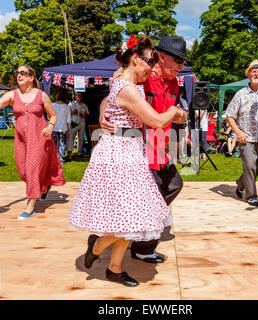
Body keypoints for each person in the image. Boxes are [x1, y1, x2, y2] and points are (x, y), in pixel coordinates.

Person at [69, 35, 185, 287]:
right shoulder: (131, 87)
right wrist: (174, 112)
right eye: (150, 61)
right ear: (136, 59)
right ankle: (99, 244)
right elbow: (154, 120)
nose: (152, 67)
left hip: (136, 150)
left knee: (133, 215)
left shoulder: (125, 80)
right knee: (132, 214)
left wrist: (106, 110)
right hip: (122, 153)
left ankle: (115, 267)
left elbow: (112, 97)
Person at [100, 35, 188, 264]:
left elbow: (174, 111)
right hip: (139, 152)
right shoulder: (142, 76)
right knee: (148, 199)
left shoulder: (174, 83)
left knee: (174, 185)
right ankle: (138, 245)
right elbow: (113, 93)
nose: (182, 66)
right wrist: (102, 112)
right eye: (178, 60)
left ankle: (127, 239)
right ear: (163, 57)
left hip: (160, 151)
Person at [0, 65, 66, 220]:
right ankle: (44, 185)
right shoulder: (12, 95)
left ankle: (30, 206)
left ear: (31, 77)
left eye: (23, 73)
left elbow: (52, 116)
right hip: (20, 140)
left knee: (32, 170)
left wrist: (51, 126)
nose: (19, 75)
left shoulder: (41, 95)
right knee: (24, 172)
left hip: (39, 138)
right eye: (18, 73)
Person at [225, 59, 258, 207]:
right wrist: (238, 132)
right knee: (249, 166)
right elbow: (229, 115)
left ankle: (240, 183)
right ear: (248, 75)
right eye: (253, 71)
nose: (256, 73)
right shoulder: (241, 94)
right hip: (246, 137)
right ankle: (251, 196)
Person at [52, 90, 72, 164]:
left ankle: (54, 159)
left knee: (54, 144)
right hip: (64, 128)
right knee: (62, 144)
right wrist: (69, 130)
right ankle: (61, 159)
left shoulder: (52, 105)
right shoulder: (67, 107)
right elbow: (69, 120)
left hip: (54, 127)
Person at [67, 92, 89, 159]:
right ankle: (69, 153)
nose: (79, 97)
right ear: (75, 96)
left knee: (81, 138)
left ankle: (79, 152)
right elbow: (65, 113)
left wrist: (84, 115)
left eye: (80, 96)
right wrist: (72, 112)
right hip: (73, 123)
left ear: (82, 97)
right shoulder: (71, 104)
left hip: (82, 123)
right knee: (71, 138)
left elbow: (87, 114)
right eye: (78, 95)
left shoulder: (84, 105)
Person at [170, 88, 189, 163]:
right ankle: (177, 157)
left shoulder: (172, 99)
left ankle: (174, 158)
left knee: (174, 140)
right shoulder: (183, 101)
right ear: (182, 94)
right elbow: (186, 111)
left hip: (173, 122)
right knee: (178, 140)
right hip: (179, 122)